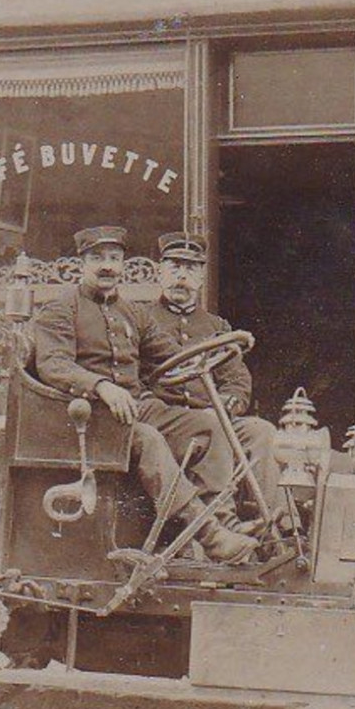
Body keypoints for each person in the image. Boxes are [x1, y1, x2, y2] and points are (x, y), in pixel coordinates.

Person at [30, 226, 259, 564]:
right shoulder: (61, 308)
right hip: (87, 416)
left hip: (137, 408)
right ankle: (209, 535)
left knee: (208, 428)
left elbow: (172, 353)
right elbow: (53, 365)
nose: (106, 266)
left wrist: (227, 345)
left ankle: (225, 524)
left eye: (114, 258)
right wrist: (101, 386)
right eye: (97, 258)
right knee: (149, 440)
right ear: (82, 263)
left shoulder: (132, 312)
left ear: (123, 264)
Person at [140, 232, 282, 527]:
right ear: (160, 272)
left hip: (213, 416)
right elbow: (134, 379)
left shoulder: (217, 327)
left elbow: (237, 383)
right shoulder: (142, 319)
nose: (182, 275)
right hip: (168, 424)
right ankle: (220, 525)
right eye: (174, 266)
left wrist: (223, 408)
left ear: (201, 277)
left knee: (261, 431)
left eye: (190, 268)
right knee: (213, 428)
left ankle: (267, 527)